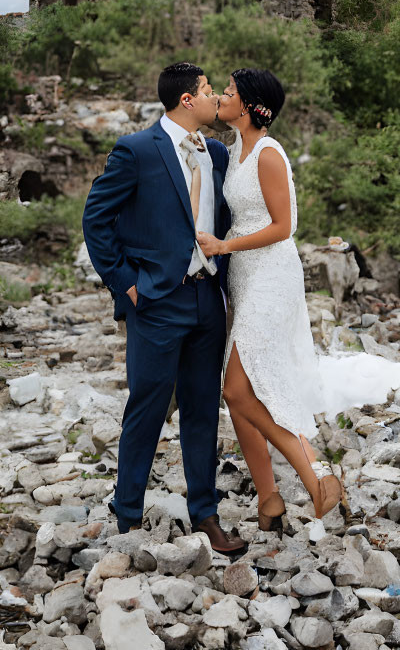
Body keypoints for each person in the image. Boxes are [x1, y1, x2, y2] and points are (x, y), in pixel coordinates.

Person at [82, 62, 246, 554]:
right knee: (146, 407)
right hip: (154, 300)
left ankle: (207, 515)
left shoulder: (214, 152)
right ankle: (127, 516)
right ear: (185, 100)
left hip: (206, 299)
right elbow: (97, 218)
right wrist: (125, 285)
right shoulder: (136, 150)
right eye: (206, 88)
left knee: (201, 411)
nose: (214, 94)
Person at [196, 69, 342, 533]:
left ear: (250, 104)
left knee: (237, 389)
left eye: (231, 91)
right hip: (245, 277)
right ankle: (269, 499)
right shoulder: (234, 150)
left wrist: (222, 247)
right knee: (244, 390)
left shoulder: (269, 152)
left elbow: (285, 226)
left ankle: (313, 470)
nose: (221, 94)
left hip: (272, 276)